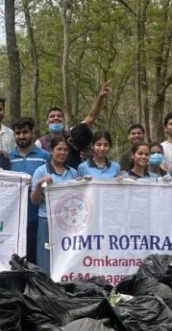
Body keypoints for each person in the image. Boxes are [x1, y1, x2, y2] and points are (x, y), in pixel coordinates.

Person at [31, 136, 79, 272]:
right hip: (47, 220)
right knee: (45, 255)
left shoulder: (73, 172)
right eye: (59, 149)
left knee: (65, 255)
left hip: (68, 221)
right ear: (51, 150)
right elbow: (34, 201)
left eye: (65, 150)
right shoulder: (41, 171)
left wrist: (85, 183)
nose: (62, 152)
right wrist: (39, 184)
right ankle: (45, 283)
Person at [9, 118, 51, 264]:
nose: (21, 136)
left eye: (25, 132)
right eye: (18, 133)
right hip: (14, 218)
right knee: (16, 258)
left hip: (37, 216)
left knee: (35, 258)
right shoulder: (8, 158)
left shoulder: (45, 156)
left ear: (33, 133)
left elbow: (52, 181)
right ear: (14, 136)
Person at [65, 82, 112, 168]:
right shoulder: (65, 139)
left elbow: (92, 116)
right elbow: (91, 116)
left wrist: (100, 98)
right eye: (79, 148)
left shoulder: (83, 131)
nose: (82, 150)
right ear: (70, 140)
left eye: (84, 147)